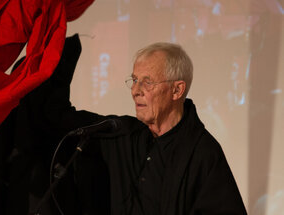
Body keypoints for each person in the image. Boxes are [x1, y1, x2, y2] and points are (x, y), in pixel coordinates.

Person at [39, 37, 247, 214]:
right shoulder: (120, 133)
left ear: (177, 90)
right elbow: (58, 116)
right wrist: (56, 44)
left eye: (147, 82)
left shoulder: (202, 153)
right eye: (135, 80)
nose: (135, 91)